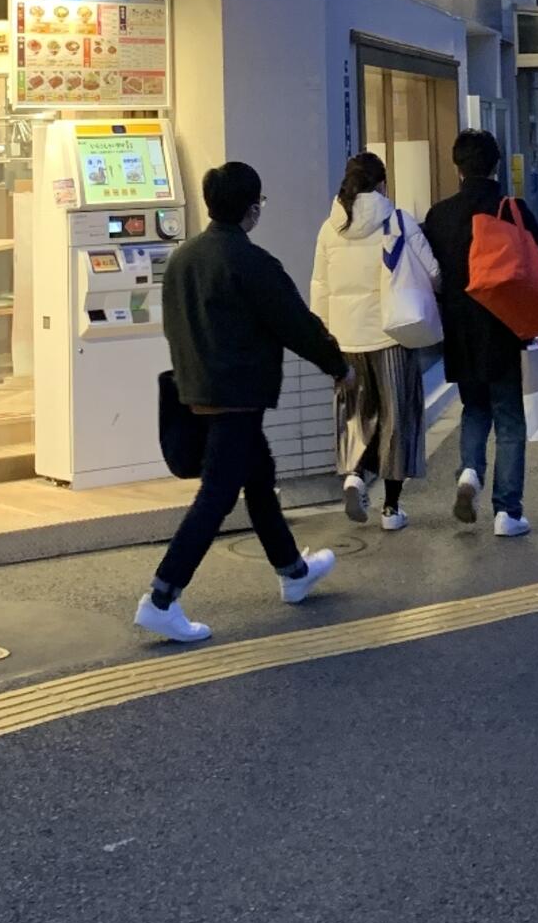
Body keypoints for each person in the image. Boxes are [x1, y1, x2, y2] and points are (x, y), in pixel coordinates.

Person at [135, 161, 350, 645]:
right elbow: (295, 323)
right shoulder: (251, 263)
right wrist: (339, 366)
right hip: (236, 397)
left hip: (197, 393)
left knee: (259, 479)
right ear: (252, 209)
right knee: (217, 497)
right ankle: (161, 598)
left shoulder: (184, 259)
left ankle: (293, 572)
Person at [422, 129, 538, 537]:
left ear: (457, 166)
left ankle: (468, 473)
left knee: (475, 408)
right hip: (505, 328)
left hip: (459, 331)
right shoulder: (510, 209)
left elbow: (432, 277)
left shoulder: (438, 215)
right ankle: (508, 512)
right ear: (496, 164)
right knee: (510, 419)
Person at [309, 151, 439, 531]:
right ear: (382, 184)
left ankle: (353, 474)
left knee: (356, 415)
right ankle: (391, 509)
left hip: (347, 339)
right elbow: (432, 274)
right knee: (397, 417)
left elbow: (320, 286)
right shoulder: (398, 221)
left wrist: (328, 337)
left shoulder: (329, 227)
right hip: (391, 336)